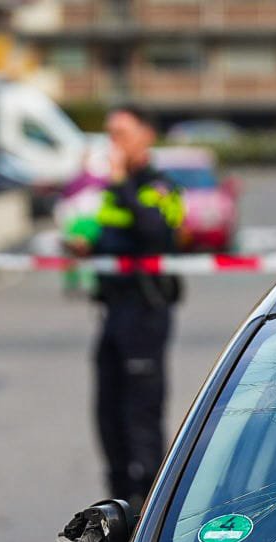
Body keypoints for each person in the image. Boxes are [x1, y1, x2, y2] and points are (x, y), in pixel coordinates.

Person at [64, 105, 184, 511]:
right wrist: (85, 244)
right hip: (113, 310)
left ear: (145, 135)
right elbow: (110, 237)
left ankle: (150, 506)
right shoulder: (113, 189)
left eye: (121, 134)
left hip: (145, 310)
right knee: (108, 411)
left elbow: (154, 232)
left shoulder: (158, 185)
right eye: (109, 134)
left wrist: (119, 182)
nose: (113, 143)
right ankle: (117, 501)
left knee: (142, 414)